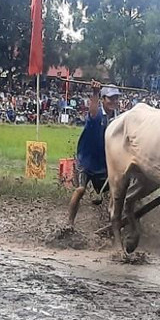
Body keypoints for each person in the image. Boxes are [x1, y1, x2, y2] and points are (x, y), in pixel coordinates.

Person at [65, 81, 121, 228]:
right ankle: (69, 223)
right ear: (103, 99)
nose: (113, 101)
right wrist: (95, 93)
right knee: (81, 189)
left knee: (118, 191)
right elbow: (93, 112)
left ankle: (111, 220)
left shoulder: (118, 120)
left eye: (116, 98)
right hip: (86, 160)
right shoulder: (97, 114)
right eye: (110, 98)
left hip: (104, 164)